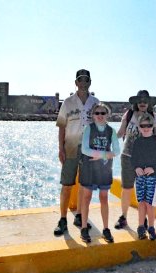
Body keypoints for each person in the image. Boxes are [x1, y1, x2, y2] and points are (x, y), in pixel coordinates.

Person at [54, 69, 99, 236]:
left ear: (90, 82)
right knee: (66, 185)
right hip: (70, 148)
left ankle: (80, 215)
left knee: (84, 184)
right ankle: (63, 219)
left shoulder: (95, 102)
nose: (83, 83)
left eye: (86, 80)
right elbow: (61, 127)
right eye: (80, 80)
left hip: (88, 149)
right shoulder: (67, 102)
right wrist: (60, 148)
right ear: (76, 82)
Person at [114, 90, 156, 229]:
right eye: (140, 101)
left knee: (146, 190)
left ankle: (144, 219)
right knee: (127, 188)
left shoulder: (154, 117)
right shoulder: (129, 115)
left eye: (145, 101)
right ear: (136, 103)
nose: (142, 103)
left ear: (149, 103)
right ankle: (123, 217)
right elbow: (120, 133)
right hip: (128, 157)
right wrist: (105, 136)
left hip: (146, 160)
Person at [79, 103, 120, 243]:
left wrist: (101, 155)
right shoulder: (88, 129)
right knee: (86, 197)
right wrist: (105, 154)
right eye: (97, 113)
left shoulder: (111, 131)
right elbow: (84, 149)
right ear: (93, 115)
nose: (100, 116)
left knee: (104, 198)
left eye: (103, 113)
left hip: (104, 169)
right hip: (89, 168)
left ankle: (106, 229)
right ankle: (84, 228)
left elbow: (117, 151)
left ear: (107, 114)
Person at [131, 113, 156, 240]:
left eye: (148, 125)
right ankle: (141, 227)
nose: (146, 128)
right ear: (139, 127)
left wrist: (154, 169)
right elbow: (133, 160)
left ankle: (151, 227)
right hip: (140, 178)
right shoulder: (137, 142)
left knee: (151, 204)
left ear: (153, 126)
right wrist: (136, 168)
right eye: (143, 126)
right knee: (141, 203)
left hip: (154, 178)